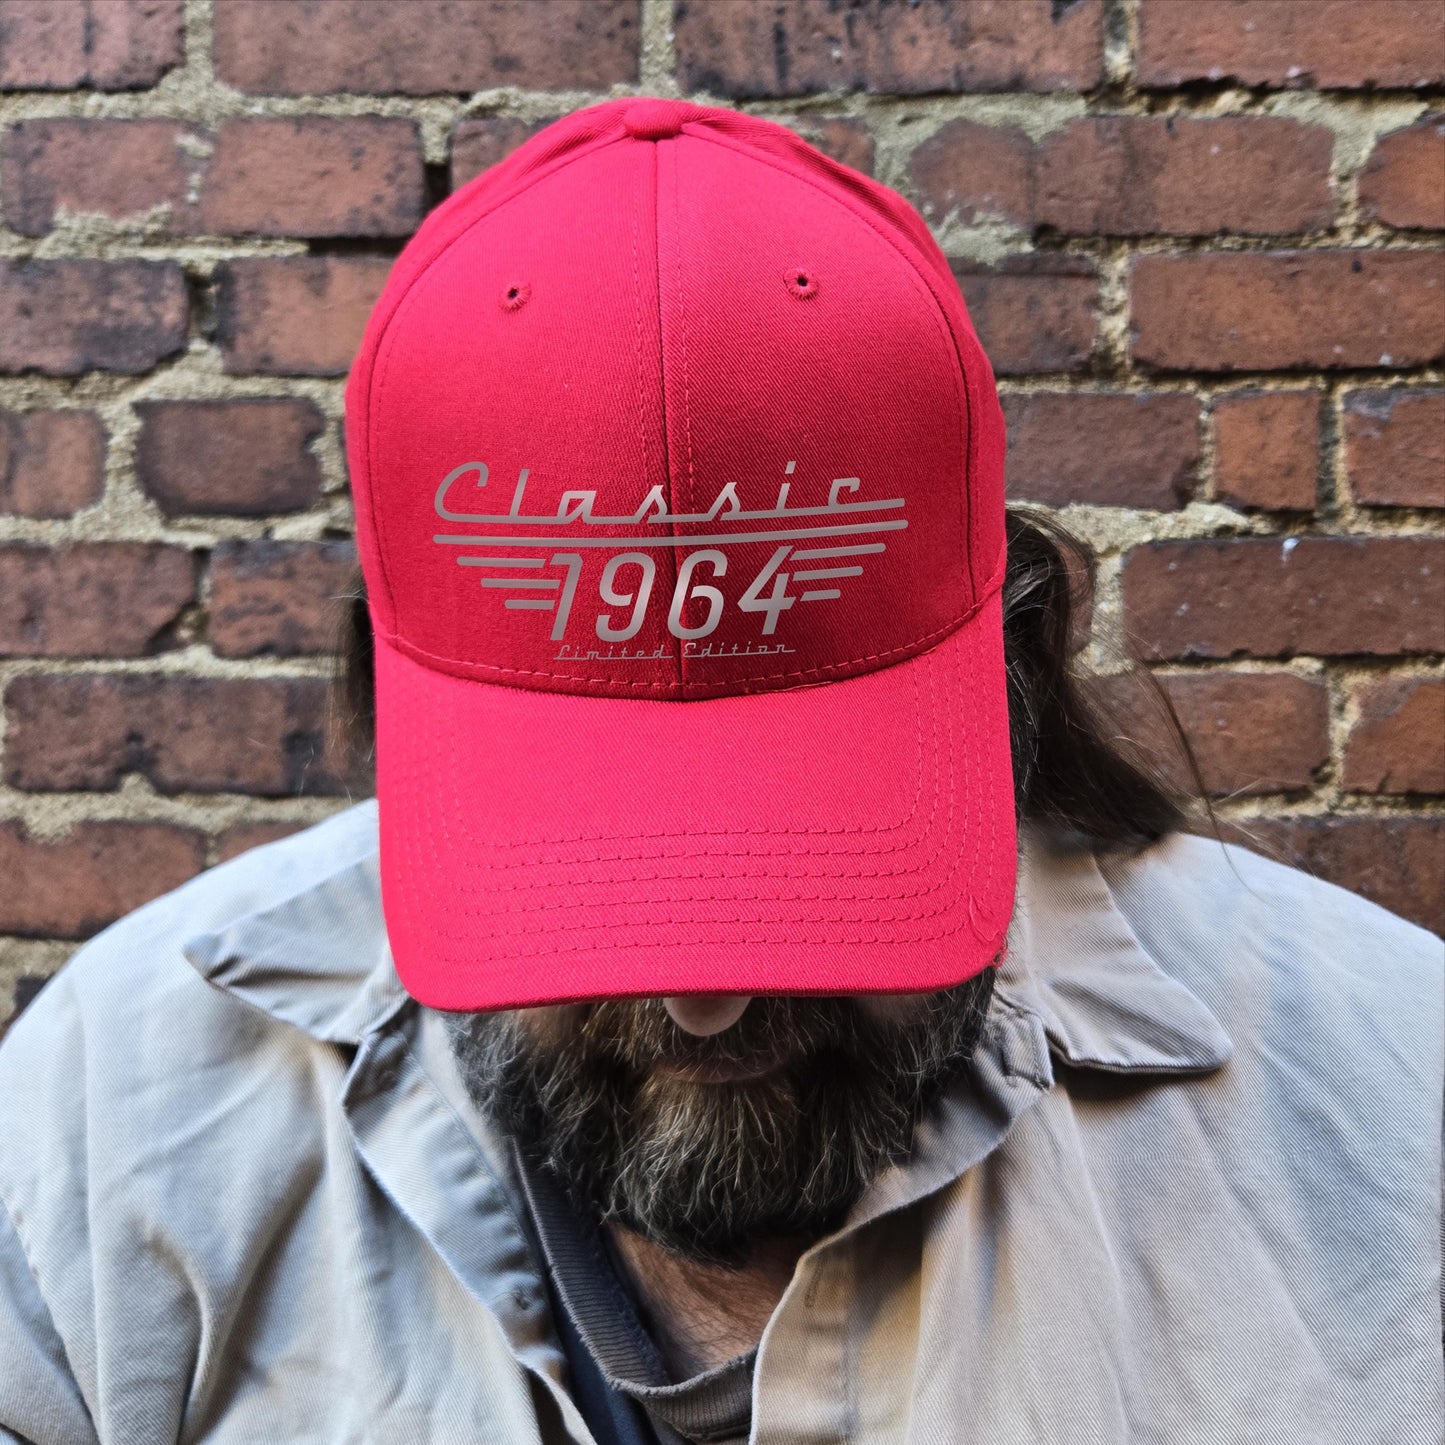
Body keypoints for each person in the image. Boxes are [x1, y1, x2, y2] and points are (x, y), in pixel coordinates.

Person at [0, 97, 1440, 1445]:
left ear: (1012, 667)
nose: (707, 994)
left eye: (813, 860)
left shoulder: (1387, 1117)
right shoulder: (111, 1127)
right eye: (587, 879)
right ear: (395, 706)